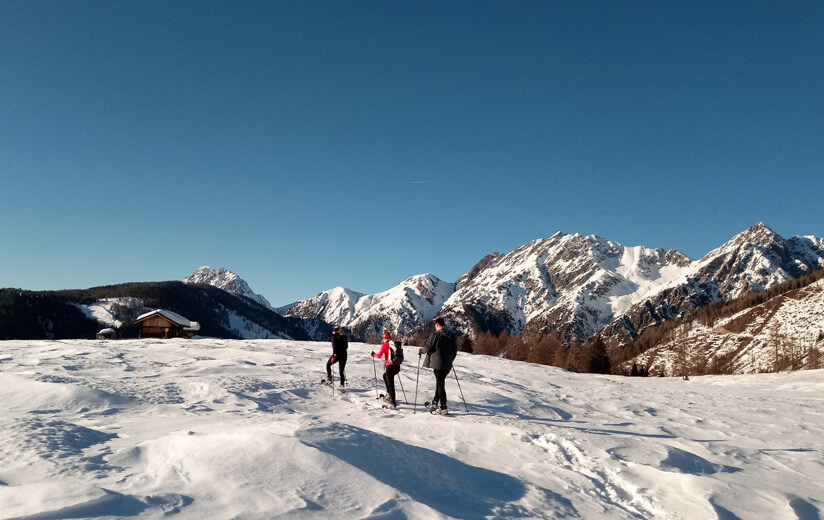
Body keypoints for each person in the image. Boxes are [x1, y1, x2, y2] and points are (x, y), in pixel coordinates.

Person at [420, 317, 457, 415]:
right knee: (439, 383)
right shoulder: (451, 335)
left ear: (437, 325)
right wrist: (450, 360)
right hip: (447, 365)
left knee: (440, 384)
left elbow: (428, 347)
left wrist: (421, 351)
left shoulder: (435, 334)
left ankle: (443, 407)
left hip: (437, 364)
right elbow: (454, 351)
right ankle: (435, 403)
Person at [372, 330, 401, 409]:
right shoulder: (394, 344)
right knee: (385, 376)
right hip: (397, 367)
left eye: (383, 338)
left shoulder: (385, 345)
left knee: (391, 384)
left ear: (384, 338)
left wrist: (373, 354)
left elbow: (379, 356)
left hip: (390, 367)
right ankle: (389, 395)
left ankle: (393, 402)